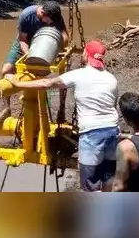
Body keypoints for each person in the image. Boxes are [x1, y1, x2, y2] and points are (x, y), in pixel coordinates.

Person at [6, 40, 119, 192]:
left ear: (86, 54)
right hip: (112, 130)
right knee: (107, 178)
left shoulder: (79, 74)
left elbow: (47, 84)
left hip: (92, 134)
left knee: (90, 185)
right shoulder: (111, 79)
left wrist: (18, 84)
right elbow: (113, 104)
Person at [0, 0, 69, 122]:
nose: (50, 23)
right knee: (6, 70)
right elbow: (22, 40)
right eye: (48, 20)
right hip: (26, 43)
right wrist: (30, 55)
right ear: (42, 13)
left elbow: (65, 36)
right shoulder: (27, 15)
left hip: (47, 43)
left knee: (63, 76)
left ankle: (62, 109)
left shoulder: (54, 13)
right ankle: (7, 108)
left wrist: (58, 49)